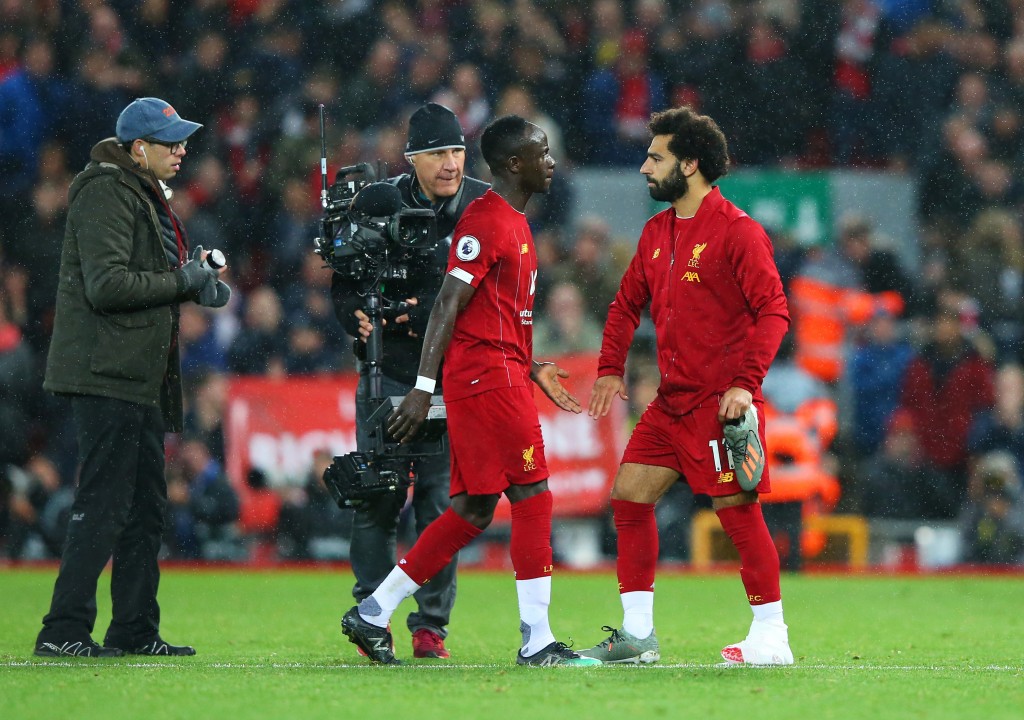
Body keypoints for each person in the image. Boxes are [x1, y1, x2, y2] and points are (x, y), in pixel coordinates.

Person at [340, 115, 599, 667]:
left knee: (472, 509)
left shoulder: (511, 220)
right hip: (486, 380)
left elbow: (495, 315)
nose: (551, 161)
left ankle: (372, 612)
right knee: (534, 496)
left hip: (501, 372)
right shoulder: (486, 223)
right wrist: (421, 389)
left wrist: (533, 366)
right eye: (542, 152)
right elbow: (447, 304)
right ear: (513, 164)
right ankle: (538, 639)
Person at [579, 106, 792, 666]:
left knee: (738, 515)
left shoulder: (738, 232)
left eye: (656, 157)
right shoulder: (656, 233)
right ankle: (638, 636)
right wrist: (609, 368)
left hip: (721, 404)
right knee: (629, 498)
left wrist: (746, 386)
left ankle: (773, 634)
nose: (644, 167)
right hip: (671, 403)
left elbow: (774, 311)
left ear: (690, 164)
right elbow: (625, 306)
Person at [34, 97, 230, 658]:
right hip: (107, 373)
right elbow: (108, 286)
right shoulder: (104, 191)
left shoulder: (137, 192)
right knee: (103, 503)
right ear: (138, 149)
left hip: (137, 375)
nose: (183, 151)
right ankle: (64, 631)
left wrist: (192, 279)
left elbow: (141, 276)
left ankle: (134, 630)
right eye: (172, 143)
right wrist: (182, 280)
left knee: (146, 507)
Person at [330, 103, 489, 660]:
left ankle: (430, 628)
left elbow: (486, 297)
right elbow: (345, 281)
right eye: (438, 154)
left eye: (457, 152)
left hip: (453, 379)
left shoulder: (481, 205)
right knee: (377, 497)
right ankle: (373, 616)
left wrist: (421, 315)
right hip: (389, 372)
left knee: (441, 506)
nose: (451, 164)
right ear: (412, 159)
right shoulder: (379, 202)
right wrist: (355, 316)